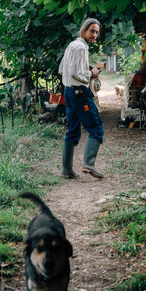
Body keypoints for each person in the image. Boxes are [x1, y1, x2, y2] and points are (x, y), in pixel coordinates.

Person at [58, 18, 104, 179]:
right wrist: (92, 73)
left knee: (72, 130)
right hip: (79, 94)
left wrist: (87, 69)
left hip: (68, 93)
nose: (94, 35)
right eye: (92, 30)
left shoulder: (72, 45)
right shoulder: (81, 48)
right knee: (96, 128)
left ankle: (66, 169)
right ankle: (89, 164)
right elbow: (76, 73)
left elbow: (62, 69)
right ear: (84, 29)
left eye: (97, 32)